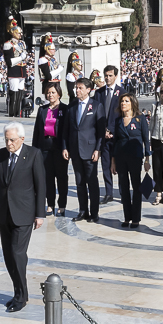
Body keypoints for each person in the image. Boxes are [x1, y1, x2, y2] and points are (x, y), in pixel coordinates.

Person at [0, 122, 45, 313]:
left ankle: (21, 297)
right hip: (4, 214)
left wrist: (40, 214)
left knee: (17, 254)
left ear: (22, 139)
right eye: (6, 140)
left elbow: (41, 186)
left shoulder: (34, 154)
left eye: (12, 140)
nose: (9, 143)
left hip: (24, 214)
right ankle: (19, 291)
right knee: (8, 256)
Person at [62, 77, 105, 222]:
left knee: (92, 182)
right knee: (79, 182)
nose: (77, 90)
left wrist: (98, 149)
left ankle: (94, 212)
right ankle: (82, 210)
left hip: (90, 150)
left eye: (80, 88)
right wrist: (65, 147)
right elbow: (66, 130)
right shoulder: (72, 106)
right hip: (75, 150)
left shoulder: (97, 106)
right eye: (76, 87)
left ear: (88, 90)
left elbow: (100, 132)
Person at [110, 93, 150, 228]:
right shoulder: (118, 121)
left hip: (135, 157)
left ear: (132, 103)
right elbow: (115, 141)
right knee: (124, 188)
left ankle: (136, 218)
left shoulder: (140, 119)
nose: (123, 104)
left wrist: (147, 158)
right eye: (122, 101)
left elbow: (146, 139)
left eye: (126, 101)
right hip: (121, 157)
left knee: (136, 187)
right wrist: (113, 161)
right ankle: (127, 217)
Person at [32, 81, 69, 217]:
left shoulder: (65, 109)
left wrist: (67, 148)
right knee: (48, 178)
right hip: (44, 148)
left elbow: (67, 130)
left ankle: (62, 204)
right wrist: (34, 150)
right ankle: (50, 204)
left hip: (59, 148)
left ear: (59, 93)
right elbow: (37, 131)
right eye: (48, 92)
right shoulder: (42, 109)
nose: (50, 95)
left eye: (53, 92)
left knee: (61, 178)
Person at [94, 65, 125, 205]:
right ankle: (108, 193)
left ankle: (123, 192)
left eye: (110, 75)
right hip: (103, 135)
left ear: (115, 76)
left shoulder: (122, 93)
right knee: (105, 164)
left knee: (120, 165)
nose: (107, 78)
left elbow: (123, 114)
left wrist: (111, 130)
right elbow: (97, 114)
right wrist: (103, 130)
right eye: (106, 75)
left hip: (117, 135)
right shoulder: (99, 93)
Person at [2, 15, 28, 117]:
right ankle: (12, 112)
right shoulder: (8, 44)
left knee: (20, 92)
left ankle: (18, 112)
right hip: (14, 70)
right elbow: (9, 61)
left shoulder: (22, 43)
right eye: (18, 33)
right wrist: (21, 58)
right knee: (14, 92)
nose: (20, 34)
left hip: (22, 69)